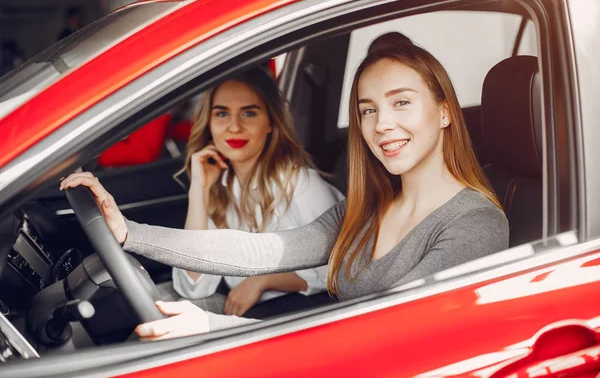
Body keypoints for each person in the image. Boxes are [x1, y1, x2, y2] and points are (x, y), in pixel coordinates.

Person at [60, 40, 509, 340]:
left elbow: (377, 334)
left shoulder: (474, 223)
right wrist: (129, 233)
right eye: (367, 110)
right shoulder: (369, 206)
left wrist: (214, 328)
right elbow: (261, 251)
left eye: (402, 103)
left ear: (446, 112)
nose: (382, 124)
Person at [155, 67, 343, 317]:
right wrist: (199, 192)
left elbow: (344, 270)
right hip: (250, 315)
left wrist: (265, 280)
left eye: (249, 113)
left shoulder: (301, 184)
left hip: (302, 316)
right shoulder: (220, 188)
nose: (234, 126)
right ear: (209, 124)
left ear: (270, 123)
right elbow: (195, 286)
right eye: (222, 113)